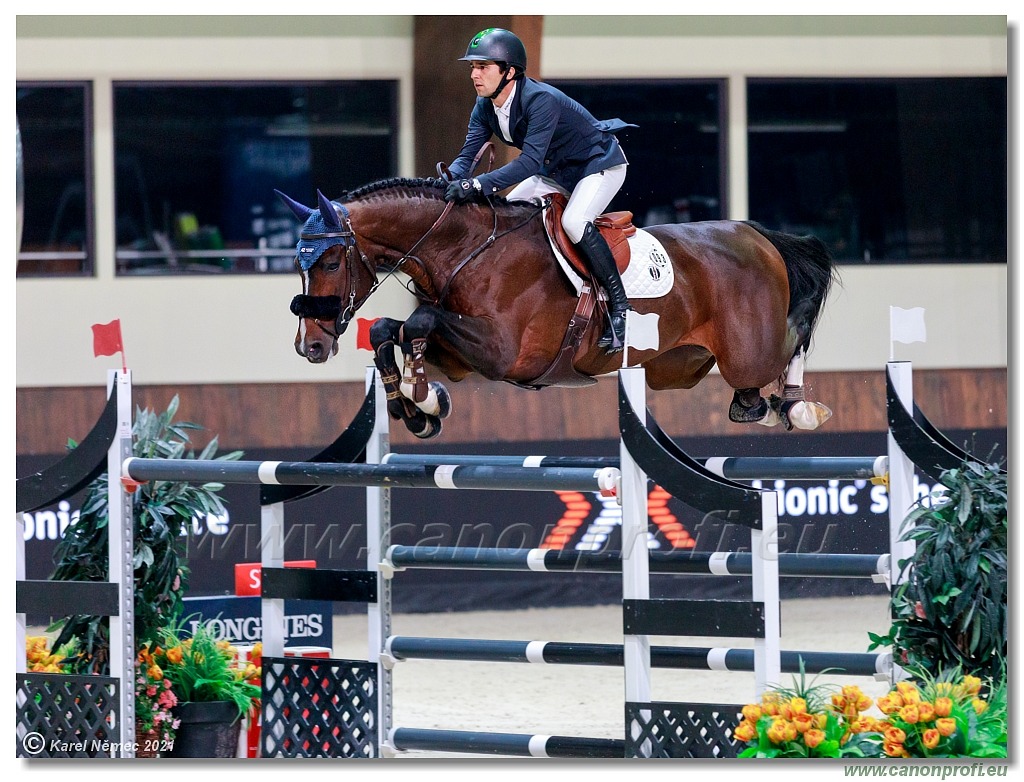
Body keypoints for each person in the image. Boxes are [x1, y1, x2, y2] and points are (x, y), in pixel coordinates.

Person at [444, 27, 637, 353]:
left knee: (575, 222)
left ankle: (621, 308)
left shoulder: (540, 100)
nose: (475, 75)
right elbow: (466, 157)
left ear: (509, 71)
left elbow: (530, 162)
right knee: (506, 217)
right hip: (557, 171)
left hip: (597, 165)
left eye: (483, 67)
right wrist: (447, 184)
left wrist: (477, 184)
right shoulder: (484, 107)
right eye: (472, 68)